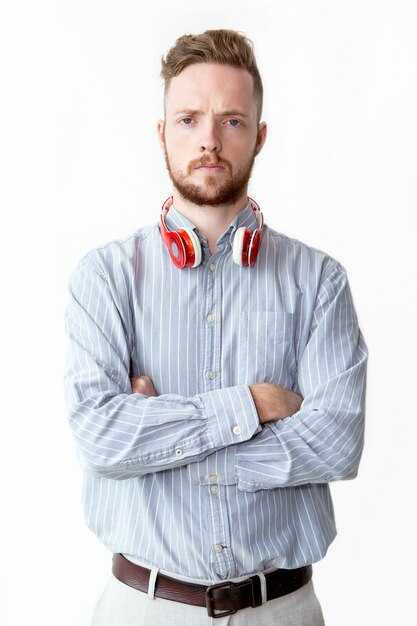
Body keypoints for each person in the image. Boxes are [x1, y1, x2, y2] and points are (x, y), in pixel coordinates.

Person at [64, 29, 367, 625]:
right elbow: (98, 438)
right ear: (162, 134)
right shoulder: (103, 279)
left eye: (231, 120)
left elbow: (336, 443)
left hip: (282, 610)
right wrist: (251, 405)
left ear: (259, 135)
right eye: (188, 119)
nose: (208, 139)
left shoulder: (319, 281)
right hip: (143, 609)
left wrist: (156, 438)